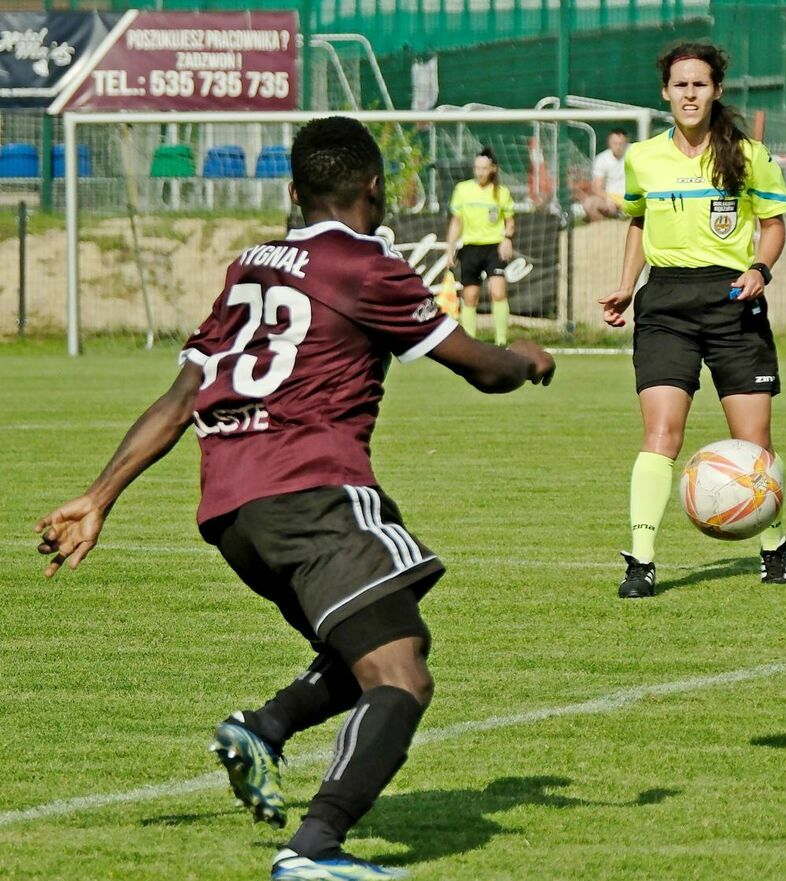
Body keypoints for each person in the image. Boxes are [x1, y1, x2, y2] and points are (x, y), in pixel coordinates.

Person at [35, 116, 556, 880]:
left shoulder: (249, 266)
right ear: (375, 187)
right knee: (402, 673)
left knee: (369, 640)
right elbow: (477, 365)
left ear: (293, 189)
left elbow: (184, 394)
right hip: (308, 487)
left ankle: (263, 727)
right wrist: (525, 358)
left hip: (232, 509)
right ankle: (314, 849)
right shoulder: (365, 262)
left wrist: (99, 494)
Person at [599, 42, 786, 599]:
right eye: (680, 85)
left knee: (752, 439)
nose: (689, 94)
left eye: (699, 84)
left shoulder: (750, 155)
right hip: (665, 304)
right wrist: (626, 285)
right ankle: (640, 560)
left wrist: (760, 267)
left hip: (734, 299)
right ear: (666, 92)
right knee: (662, 432)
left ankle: (772, 544)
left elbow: (774, 226)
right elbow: (638, 224)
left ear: (716, 91)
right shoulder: (643, 157)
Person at [446, 146, 515, 346]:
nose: (480, 172)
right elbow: (456, 221)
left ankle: (501, 342)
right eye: (477, 168)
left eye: (484, 168)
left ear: (493, 169)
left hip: (494, 247)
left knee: (498, 292)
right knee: (470, 296)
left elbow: (510, 222)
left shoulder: (501, 193)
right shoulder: (463, 189)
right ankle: (469, 342)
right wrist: (450, 247)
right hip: (470, 248)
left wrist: (507, 238)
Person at [582, 128, 630, 221]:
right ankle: (602, 226)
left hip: (632, 197)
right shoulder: (602, 159)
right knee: (589, 204)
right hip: (612, 197)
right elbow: (597, 187)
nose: (618, 146)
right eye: (614, 143)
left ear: (626, 143)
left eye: (621, 143)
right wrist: (607, 198)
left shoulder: (634, 153)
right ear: (609, 143)